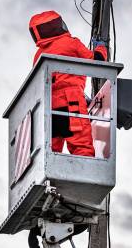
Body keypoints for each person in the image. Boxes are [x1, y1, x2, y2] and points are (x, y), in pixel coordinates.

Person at [29, 10, 107, 157]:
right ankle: (85, 176)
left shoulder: (38, 55)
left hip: (48, 106)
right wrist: (101, 47)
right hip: (72, 102)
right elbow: (97, 62)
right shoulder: (71, 43)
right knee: (81, 146)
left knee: (50, 153)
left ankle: (51, 180)